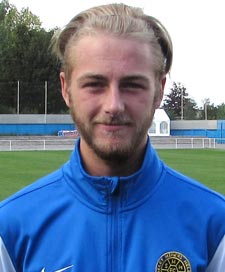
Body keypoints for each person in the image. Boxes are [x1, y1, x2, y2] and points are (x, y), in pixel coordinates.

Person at [0, 3, 224, 272]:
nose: (114, 105)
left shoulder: (214, 225)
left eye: (132, 85)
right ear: (66, 89)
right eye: (94, 84)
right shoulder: (11, 228)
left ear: (159, 90)